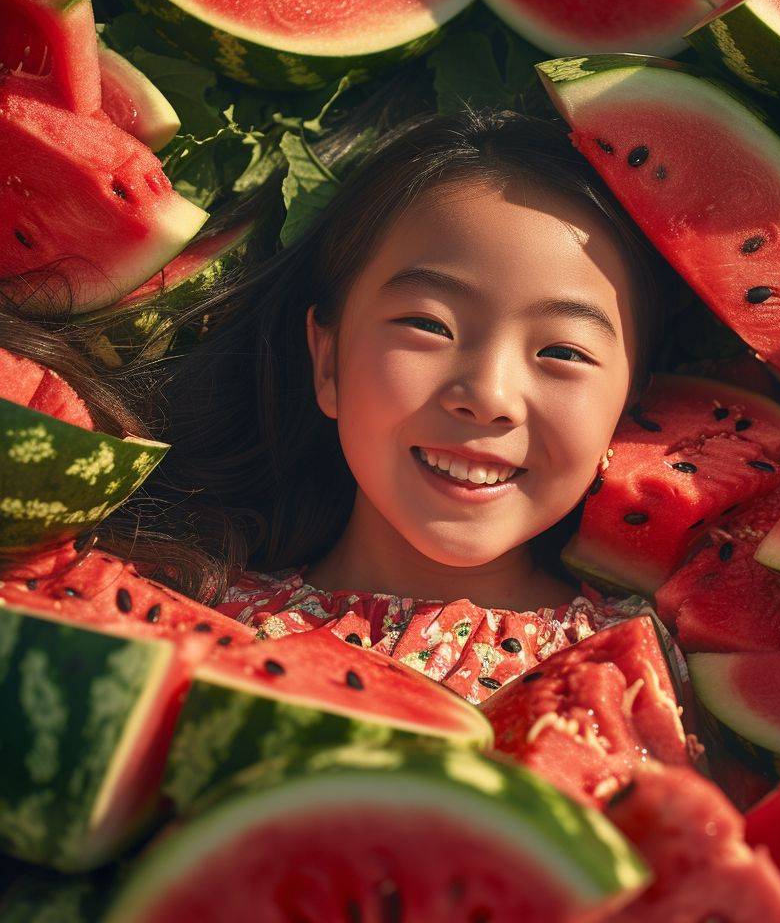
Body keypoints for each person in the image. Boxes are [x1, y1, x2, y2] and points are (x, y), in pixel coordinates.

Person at [26, 87, 673, 703]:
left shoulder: (646, 667)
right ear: (328, 360)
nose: (488, 395)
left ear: (627, 406)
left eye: (562, 352)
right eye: (429, 325)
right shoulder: (180, 624)